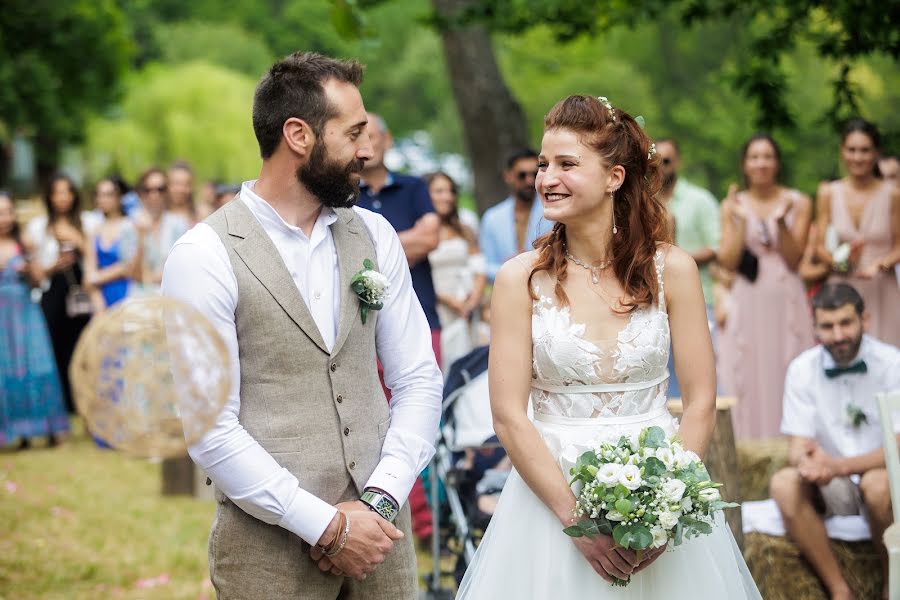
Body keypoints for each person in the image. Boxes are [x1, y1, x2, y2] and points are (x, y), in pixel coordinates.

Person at [161, 51, 442, 598]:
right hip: (268, 559)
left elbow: (417, 379)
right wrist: (328, 526)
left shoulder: (376, 236)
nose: (369, 149)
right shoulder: (203, 254)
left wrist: (379, 500)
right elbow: (209, 428)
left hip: (383, 547)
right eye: (355, 132)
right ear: (298, 135)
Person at [456, 95, 759, 598]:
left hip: (659, 489)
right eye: (543, 164)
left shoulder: (673, 270)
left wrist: (669, 507)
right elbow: (509, 416)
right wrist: (579, 526)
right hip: (550, 506)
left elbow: (702, 399)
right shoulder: (518, 280)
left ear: (614, 177)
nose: (546, 178)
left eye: (567, 164)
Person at [770, 283, 897, 600]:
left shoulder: (892, 363)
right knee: (783, 484)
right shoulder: (801, 369)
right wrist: (807, 461)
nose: (838, 335)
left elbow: (897, 444)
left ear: (864, 320)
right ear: (814, 327)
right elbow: (798, 444)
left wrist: (838, 465)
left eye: (846, 323)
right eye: (827, 326)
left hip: (884, 478)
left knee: (878, 485)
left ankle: (890, 586)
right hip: (832, 487)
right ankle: (840, 591)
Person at [356, 113, 440, 544]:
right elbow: (417, 240)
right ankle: (372, 513)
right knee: (373, 420)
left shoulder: (412, 187)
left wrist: (376, 248)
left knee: (419, 411)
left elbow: (430, 239)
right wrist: (392, 247)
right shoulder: (343, 193)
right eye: (357, 134)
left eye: (371, 134)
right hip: (360, 329)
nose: (366, 146)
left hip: (423, 316)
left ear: (387, 139)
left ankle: (423, 524)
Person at [717, 134, 816, 439]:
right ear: (745, 165)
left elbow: (794, 259)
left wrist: (783, 222)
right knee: (747, 369)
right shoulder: (733, 205)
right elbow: (729, 261)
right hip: (748, 297)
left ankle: (792, 441)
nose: (761, 163)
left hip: (786, 295)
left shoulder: (798, 201)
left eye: (768, 157)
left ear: (777, 163)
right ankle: (751, 445)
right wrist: (741, 221)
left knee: (788, 366)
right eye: (754, 157)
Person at [816, 119, 900, 347]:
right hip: (842, 286)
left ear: (876, 152)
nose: (858, 157)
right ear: (842, 151)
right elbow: (819, 246)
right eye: (851, 150)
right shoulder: (828, 193)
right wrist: (839, 262)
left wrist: (881, 265)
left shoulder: (892, 194)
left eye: (864, 150)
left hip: (881, 286)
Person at [0, 191, 69, 449]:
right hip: (2, 318)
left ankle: (46, 429)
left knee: (35, 365)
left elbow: (40, 280)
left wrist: (29, 269)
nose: (4, 218)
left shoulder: (24, 242)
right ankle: (15, 431)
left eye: (7, 212)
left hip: (25, 311)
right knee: (7, 369)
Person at [655, 139, 721, 398]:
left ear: (678, 162)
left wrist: (676, 263)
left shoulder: (700, 200)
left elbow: (716, 247)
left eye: (667, 161)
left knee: (697, 374)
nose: (661, 167)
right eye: (655, 161)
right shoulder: (641, 202)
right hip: (653, 302)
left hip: (699, 296)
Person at [24, 173, 92, 414]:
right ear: (50, 197)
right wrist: (56, 264)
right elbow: (37, 273)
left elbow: (94, 260)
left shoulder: (87, 222)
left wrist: (78, 240)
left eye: (67, 192)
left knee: (82, 345)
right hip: (52, 291)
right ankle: (61, 402)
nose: (62, 198)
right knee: (53, 345)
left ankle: (81, 400)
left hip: (80, 293)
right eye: (57, 193)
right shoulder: (38, 227)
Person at [425, 171, 487, 369]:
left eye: (450, 191)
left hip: (467, 307)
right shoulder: (420, 231)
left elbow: (479, 267)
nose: (447, 197)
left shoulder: (464, 229)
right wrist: (449, 300)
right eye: (439, 191)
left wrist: (473, 299)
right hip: (436, 306)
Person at [479, 148, 553, 281]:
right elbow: (486, 267)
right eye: (522, 175)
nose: (529, 181)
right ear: (508, 176)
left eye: (534, 174)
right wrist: (510, 267)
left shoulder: (554, 211)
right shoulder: (492, 218)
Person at [127, 168, 188, 296]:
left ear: (167, 191)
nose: (154, 195)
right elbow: (133, 273)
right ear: (140, 193)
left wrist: (150, 277)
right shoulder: (129, 225)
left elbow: (182, 267)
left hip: (172, 299)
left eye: (160, 189)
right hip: (141, 301)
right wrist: (141, 238)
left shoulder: (179, 224)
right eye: (148, 190)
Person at [83, 178, 139, 311]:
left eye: (108, 195)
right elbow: (89, 272)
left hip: (128, 294)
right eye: (99, 195)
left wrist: (97, 277)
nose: (103, 199)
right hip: (101, 299)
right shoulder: (94, 230)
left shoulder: (131, 226)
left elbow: (130, 266)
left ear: (119, 197)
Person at [167, 161, 197, 226]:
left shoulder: (200, 217)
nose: (180, 189)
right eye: (176, 183)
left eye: (185, 184)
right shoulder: (157, 217)